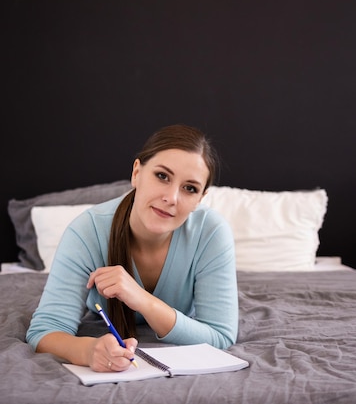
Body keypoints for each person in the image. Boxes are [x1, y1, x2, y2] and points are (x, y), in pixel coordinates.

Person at [26, 124, 238, 372]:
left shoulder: (211, 232)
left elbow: (221, 336)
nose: (172, 197)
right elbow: (45, 331)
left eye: (189, 188)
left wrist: (143, 300)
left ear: (199, 199)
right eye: (162, 176)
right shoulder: (86, 232)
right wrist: (87, 351)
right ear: (136, 173)